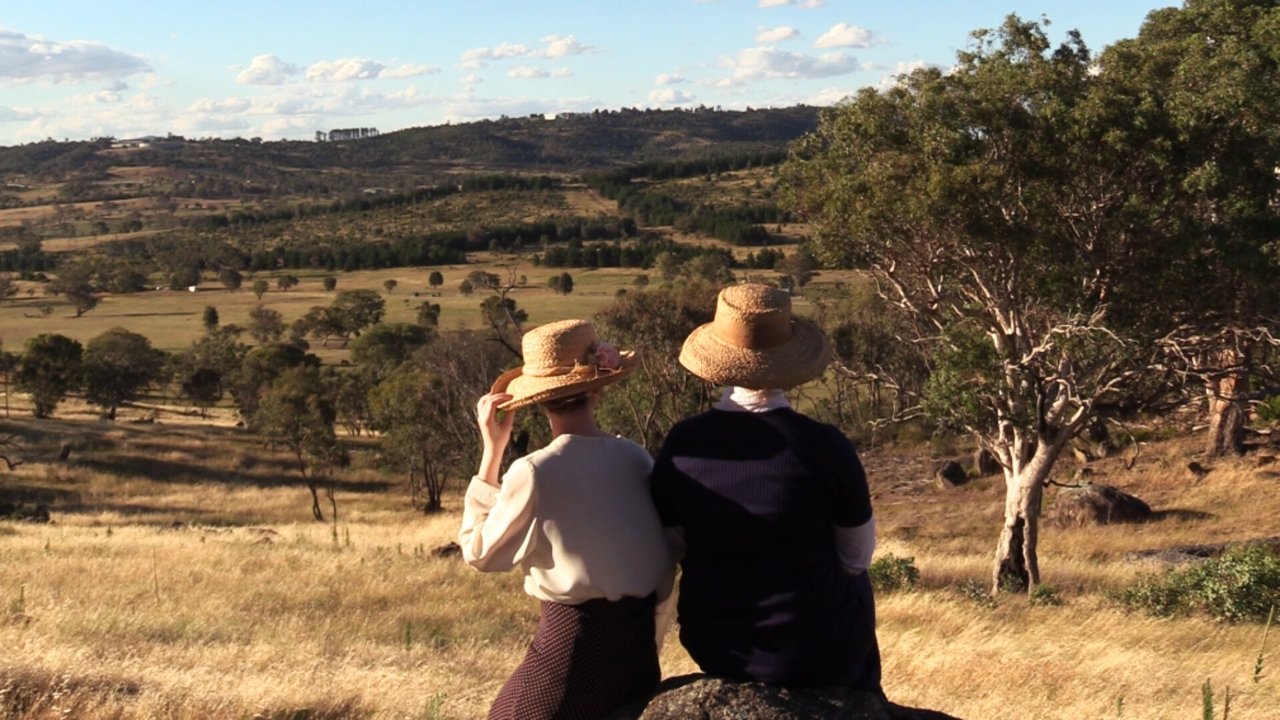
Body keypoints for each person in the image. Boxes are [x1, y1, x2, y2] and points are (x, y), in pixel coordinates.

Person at [650, 283, 882, 691]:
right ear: (790, 362)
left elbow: (674, 544)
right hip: (819, 649)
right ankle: (865, 698)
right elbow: (856, 557)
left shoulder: (683, 442)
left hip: (716, 645)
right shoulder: (824, 444)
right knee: (857, 581)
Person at [459, 319, 675, 720]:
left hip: (569, 660)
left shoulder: (534, 470)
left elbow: (481, 555)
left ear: (538, 399)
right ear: (597, 389)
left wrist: (492, 453)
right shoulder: (636, 458)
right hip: (638, 660)